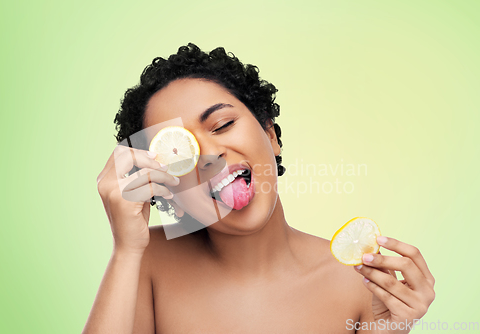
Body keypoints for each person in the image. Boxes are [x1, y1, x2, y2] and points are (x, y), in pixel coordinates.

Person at [83, 43, 435, 333]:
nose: (210, 155)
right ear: (164, 188)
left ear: (270, 134)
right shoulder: (146, 262)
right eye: (178, 153)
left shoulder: (359, 283)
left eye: (221, 125)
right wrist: (126, 251)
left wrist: (392, 331)